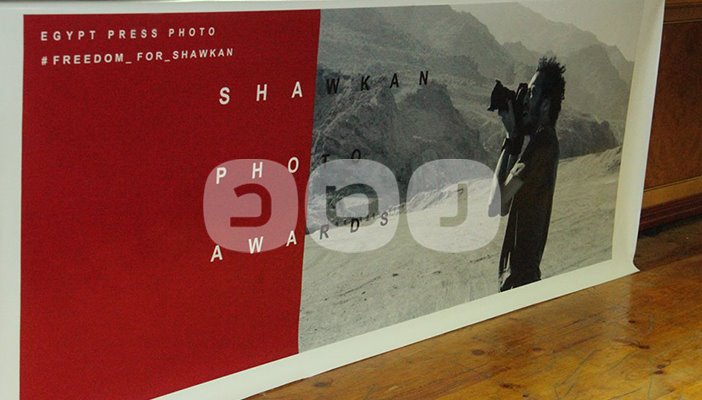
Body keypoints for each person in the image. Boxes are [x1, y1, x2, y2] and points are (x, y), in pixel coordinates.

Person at [491, 57, 566, 291]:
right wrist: (513, 141)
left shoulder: (543, 144)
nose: (524, 100)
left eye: (532, 94)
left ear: (545, 105)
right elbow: (503, 207)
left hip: (520, 280)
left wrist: (510, 139)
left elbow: (496, 203)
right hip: (519, 279)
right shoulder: (541, 142)